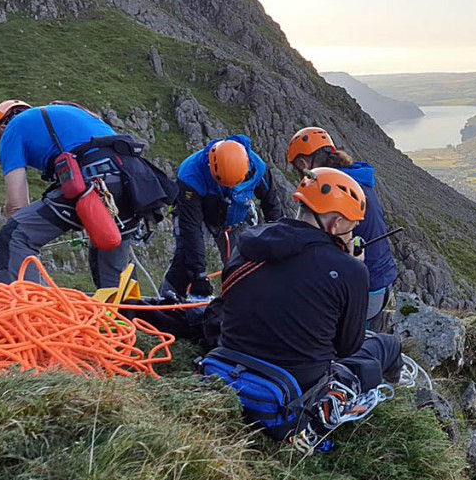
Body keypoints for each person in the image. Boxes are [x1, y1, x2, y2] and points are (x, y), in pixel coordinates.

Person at [217, 167, 402, 397]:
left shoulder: (249, 242)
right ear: (336, 224)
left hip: (231, 359)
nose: (352, 235)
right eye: (352, 227)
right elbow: (348, 347)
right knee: (388, 345)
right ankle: (396, 398)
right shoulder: (351, 270)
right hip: (299, 386)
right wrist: (353, 268)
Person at [0, 99, 176, 287]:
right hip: (133, 181)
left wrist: (12, 248)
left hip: (93, 179)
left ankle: (25, 309)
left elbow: (17, 205)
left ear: (2, 126)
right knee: (110, 267)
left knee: (15, 235)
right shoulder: (65, 114)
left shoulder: (11, 129)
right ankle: (122, 313)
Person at [287, 127, 398, 329]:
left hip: (364, 289)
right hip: (379, 281)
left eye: (297, 170)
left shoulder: (334, 192)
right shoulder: (354, 180)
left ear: (304, 165)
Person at [160, 135, 283, 298]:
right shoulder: (191, 175)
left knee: (244, 268)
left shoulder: (257, 168)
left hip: (238, 217)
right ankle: (167, 302)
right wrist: (199, 275)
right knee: (184, 261)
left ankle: (240, 308)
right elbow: (191, 228)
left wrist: (281, 241)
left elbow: (271, 204)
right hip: (201, 215)